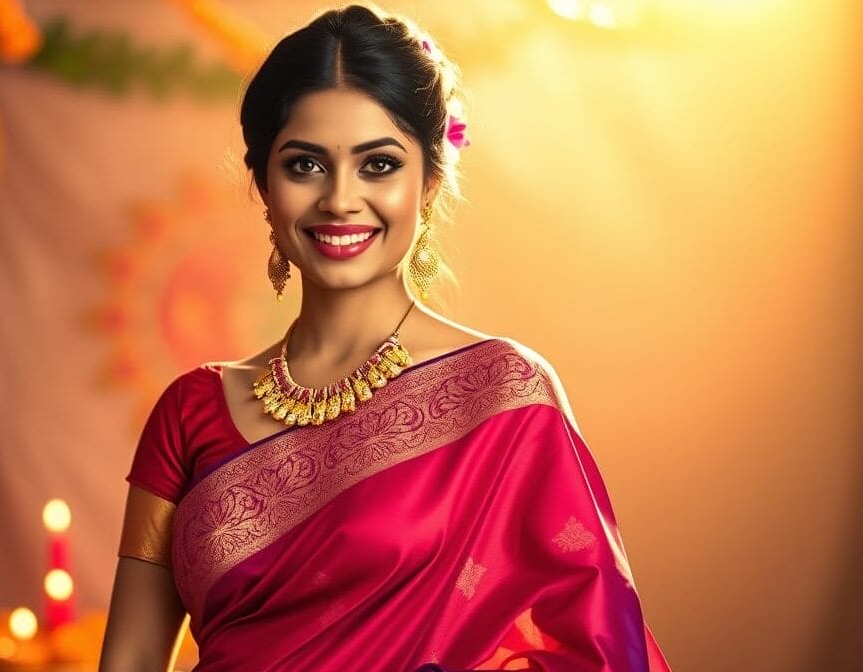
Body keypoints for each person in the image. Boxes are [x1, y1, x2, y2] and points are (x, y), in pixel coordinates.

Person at [99, 5, 672, 671]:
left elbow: (597, 649)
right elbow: (132, 658)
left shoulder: (503, 397)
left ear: (429, 181)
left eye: (378, 165)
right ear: (262, 184)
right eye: (305, 165)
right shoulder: (190, 413)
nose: (340, 199)